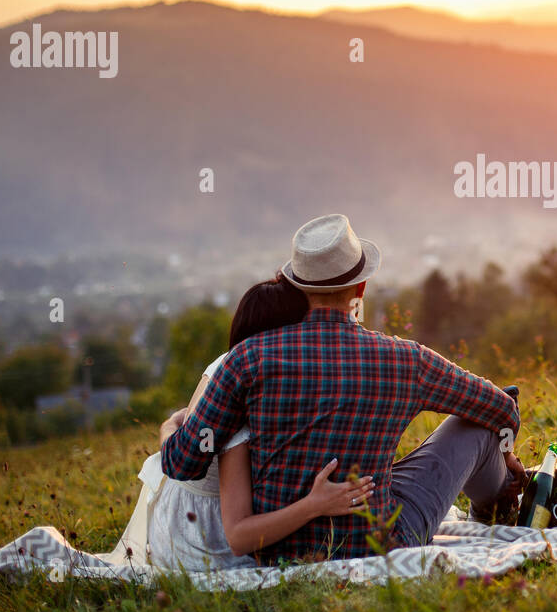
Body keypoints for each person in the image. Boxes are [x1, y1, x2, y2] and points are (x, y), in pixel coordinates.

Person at [160, 213, 526, 564]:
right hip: (378, 541)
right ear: (361, 287)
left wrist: (170, 427)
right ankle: (497, 507)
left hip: (277, 551)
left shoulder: (246, 359)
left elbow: (181, 462)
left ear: (299, 287)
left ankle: (499, 496)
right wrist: (505, 452)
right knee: (476, 424)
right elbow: (501, 409)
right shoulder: (406, 359)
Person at [116, 276, 374, 572]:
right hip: (203, 537)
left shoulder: (257, 371)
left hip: (211, 514)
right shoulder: (238, 393)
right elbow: (238, 534)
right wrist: (315, 504)